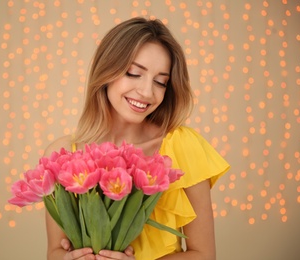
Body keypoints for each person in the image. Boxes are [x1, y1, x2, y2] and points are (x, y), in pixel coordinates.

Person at [44, 17, 230, 260]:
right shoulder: (62, 154)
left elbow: (204, 254)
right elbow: (55, 252)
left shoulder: (181, 146)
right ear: (106, 71)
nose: (146, 92)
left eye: (160, 82)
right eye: (133, 73)